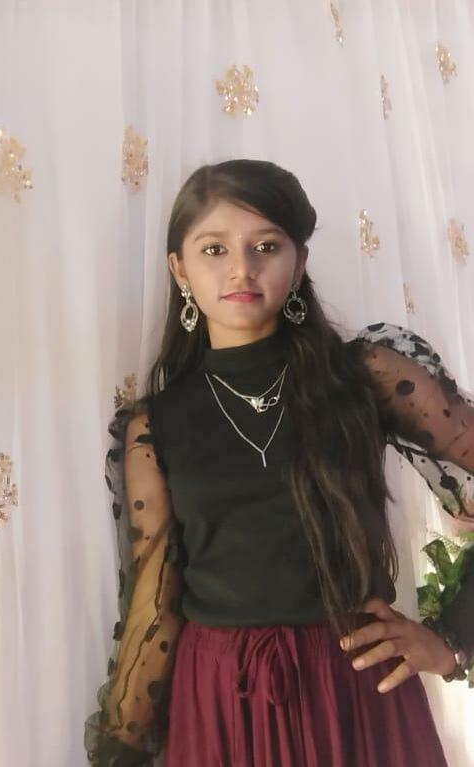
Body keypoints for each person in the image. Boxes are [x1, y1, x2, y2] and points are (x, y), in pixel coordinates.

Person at [85, 160, 474, 766]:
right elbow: (154, 605)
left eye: (265, 246)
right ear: (180, 268)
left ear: (300, 262)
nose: (241, 268)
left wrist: (452, 644)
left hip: (354, 691)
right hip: (220, 701)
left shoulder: (365, 377)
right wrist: (121, 747)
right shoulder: (155, 425)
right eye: (214, 249)